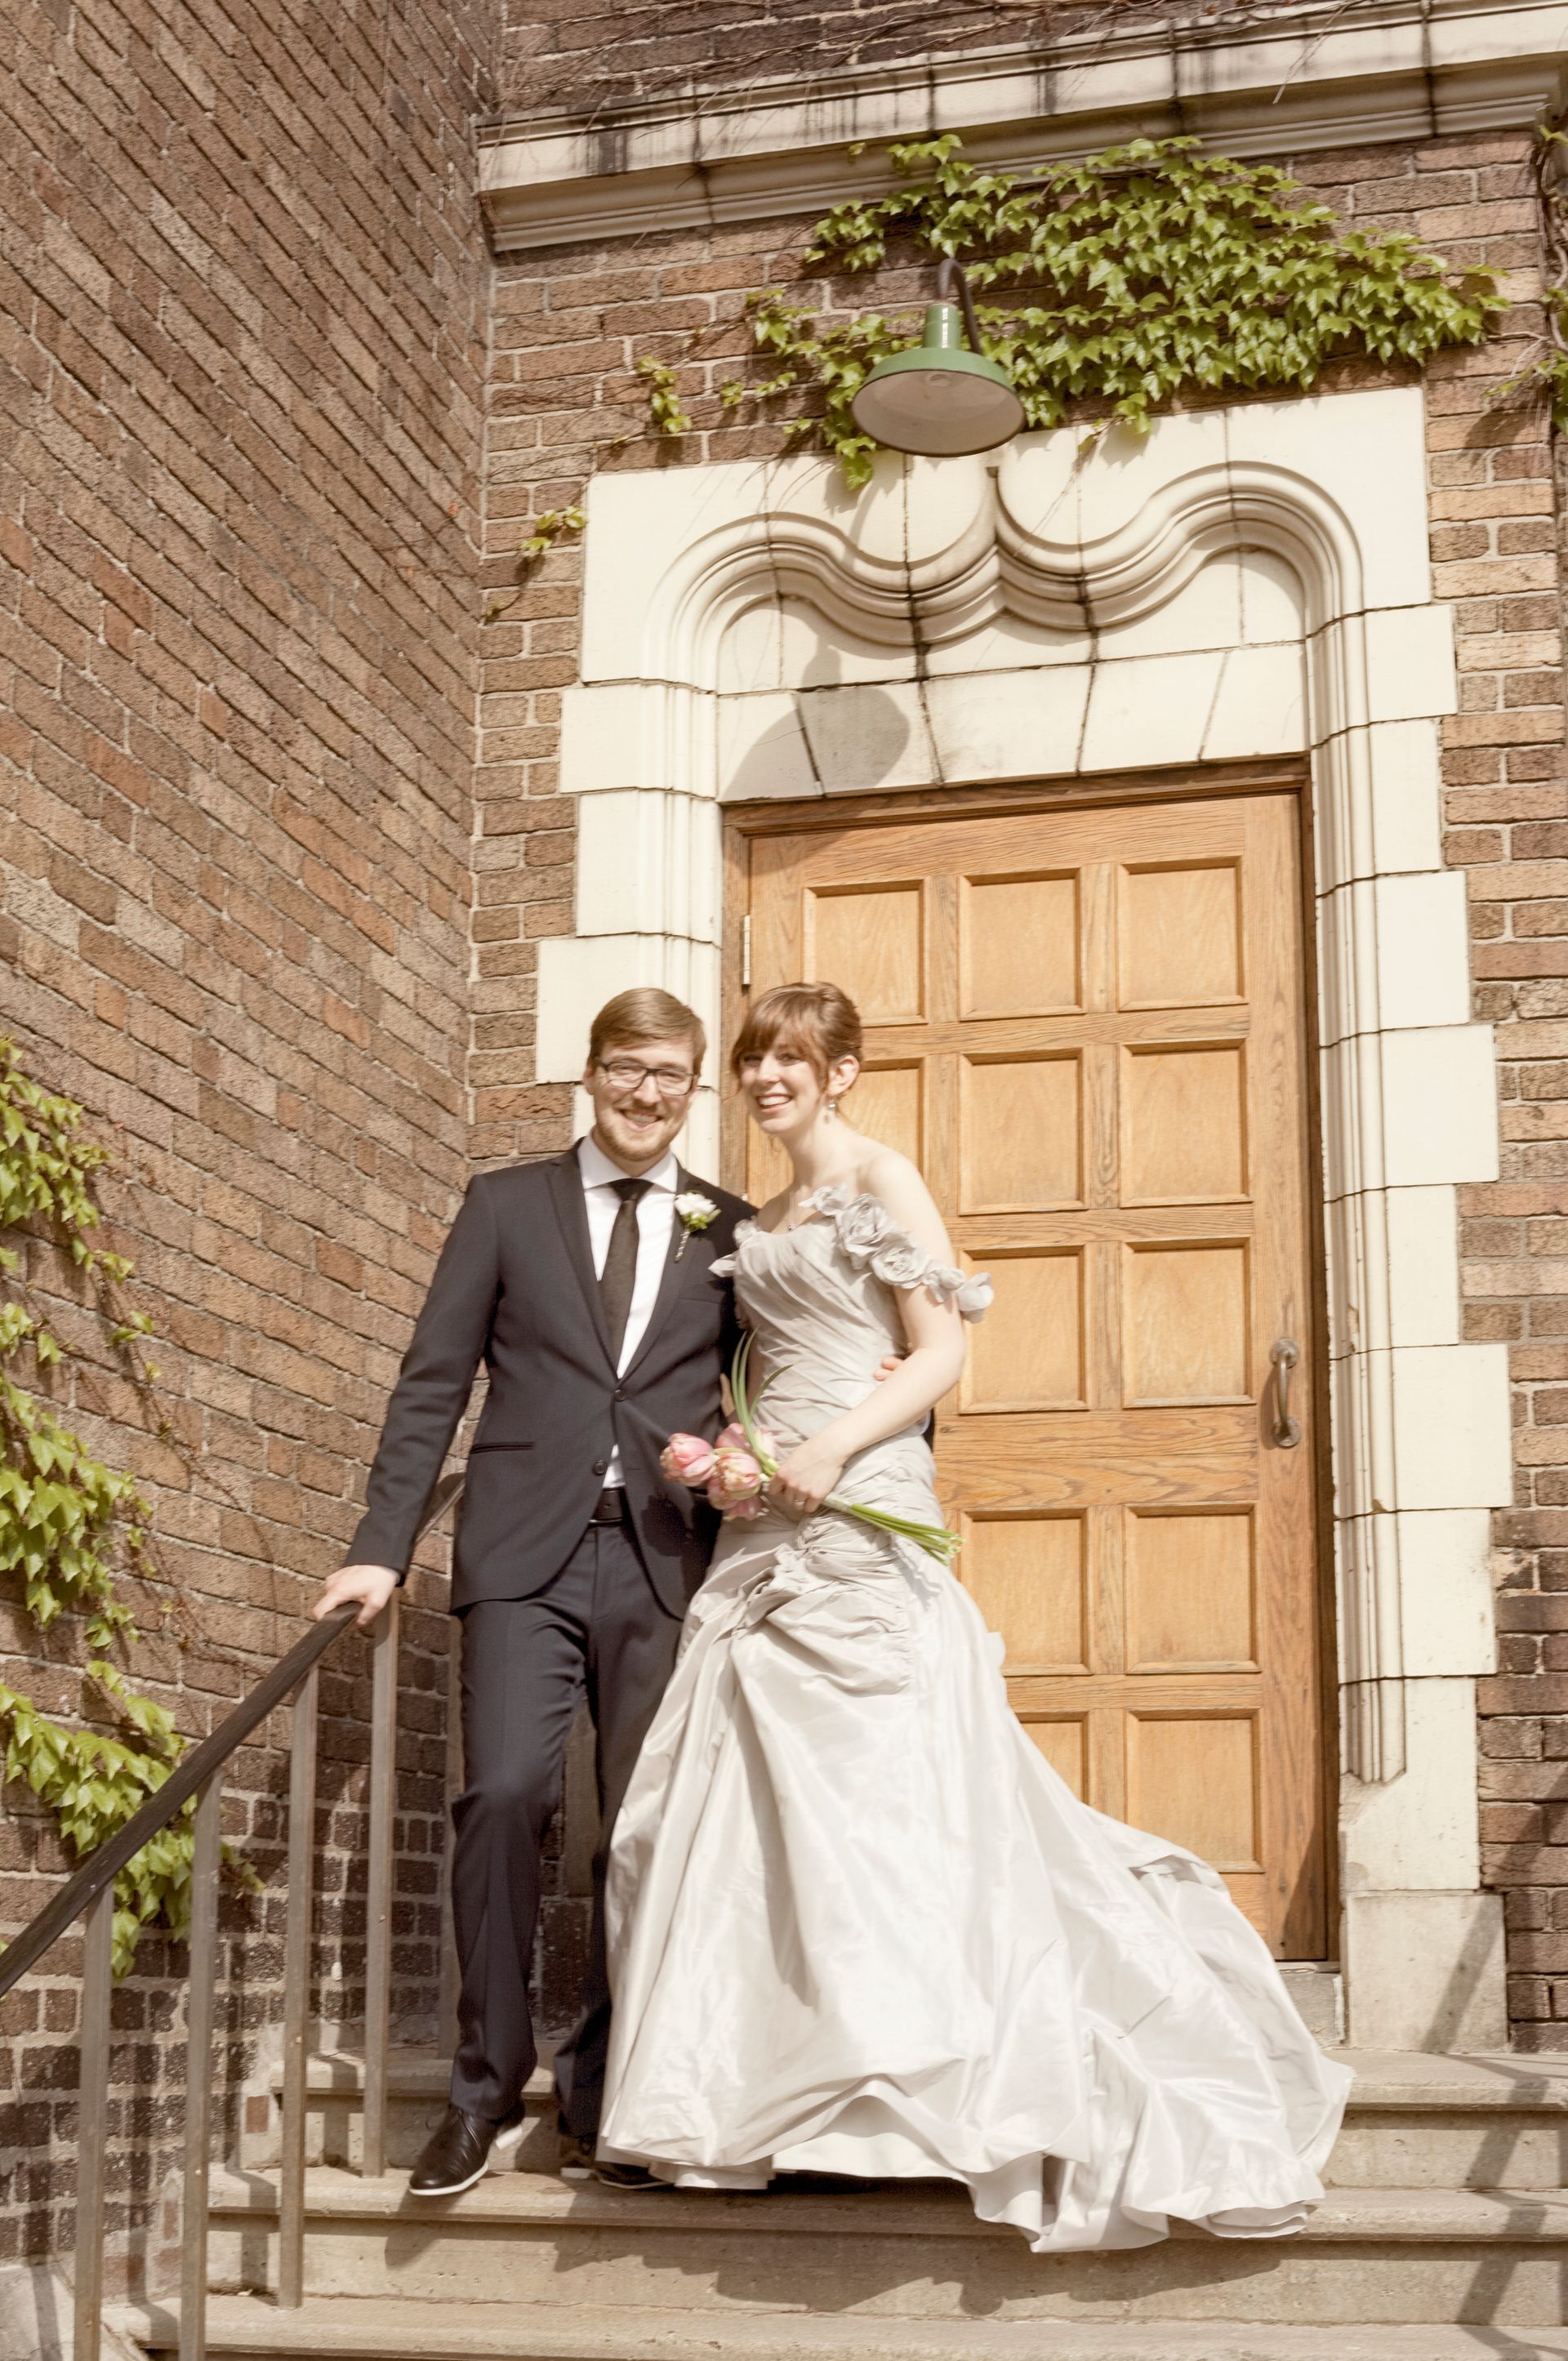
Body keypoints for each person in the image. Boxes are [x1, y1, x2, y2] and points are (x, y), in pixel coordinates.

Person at [596, 980, 1352, 2252]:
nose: (769, 1080)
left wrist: (830, 1449)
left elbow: (941, 1353)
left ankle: (905, 2090)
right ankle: (753, 2109)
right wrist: (738, 1454)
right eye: (755, 1062)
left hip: (853, 1496)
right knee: (749, 1812)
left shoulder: (885, 1181)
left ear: (842, 1071)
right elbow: (768, 1358)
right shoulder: (759, 1212)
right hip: (767, 1511)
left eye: (794, 1061)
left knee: (874, 1802)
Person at [313, 987, 753, 2196]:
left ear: (693, 1084)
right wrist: (381, 1543)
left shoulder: (737, 1231)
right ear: (591, 1074)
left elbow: (776, 1394)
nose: (647, 1092)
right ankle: (483, 2090)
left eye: (670, 1073)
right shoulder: (507, 1205)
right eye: (626, 1068)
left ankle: (609, 2096)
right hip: (522, 1555)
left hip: (668, 1561)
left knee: (643, 1829)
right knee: (503, 1797)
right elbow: (431, 1382)